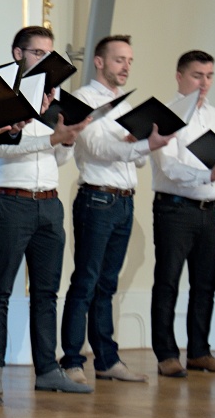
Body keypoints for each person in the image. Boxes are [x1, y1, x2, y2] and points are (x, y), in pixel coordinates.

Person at [59, 35, 173, 385]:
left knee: (107, 284)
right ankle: (72, 361)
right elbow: (96, 148)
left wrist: (139, 144)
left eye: (129, 61)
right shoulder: (83, 100)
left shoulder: (125, 106)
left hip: (124, 200)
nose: (126, 67)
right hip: (96, 198)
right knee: (86, 280)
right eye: (119, 59)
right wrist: (141, 145)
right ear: (99, 61)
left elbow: (137, 161)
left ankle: (107, 360)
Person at [0, 27, 88, 395]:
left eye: (49, 55)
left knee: (47, 292)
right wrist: (53, 138)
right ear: (18, 53)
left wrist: (66, 140)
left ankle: (47, 369)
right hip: (11, 201)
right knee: (0, 290)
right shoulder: (2, 94)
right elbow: (0, 148)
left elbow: (59, 158)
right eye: (37, 53)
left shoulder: (53, 100)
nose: (44, 61)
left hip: (49, 204)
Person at [150, 50, 215, 377]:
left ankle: (200, 352)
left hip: (209, 211)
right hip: (174, 209)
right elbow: (170, 168)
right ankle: (166, 354)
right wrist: (209, 176)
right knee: (168, 282)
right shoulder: (166, 115)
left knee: (205, 284)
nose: (204, 83)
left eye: (209, 76)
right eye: (197, 75)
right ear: (179, 76)